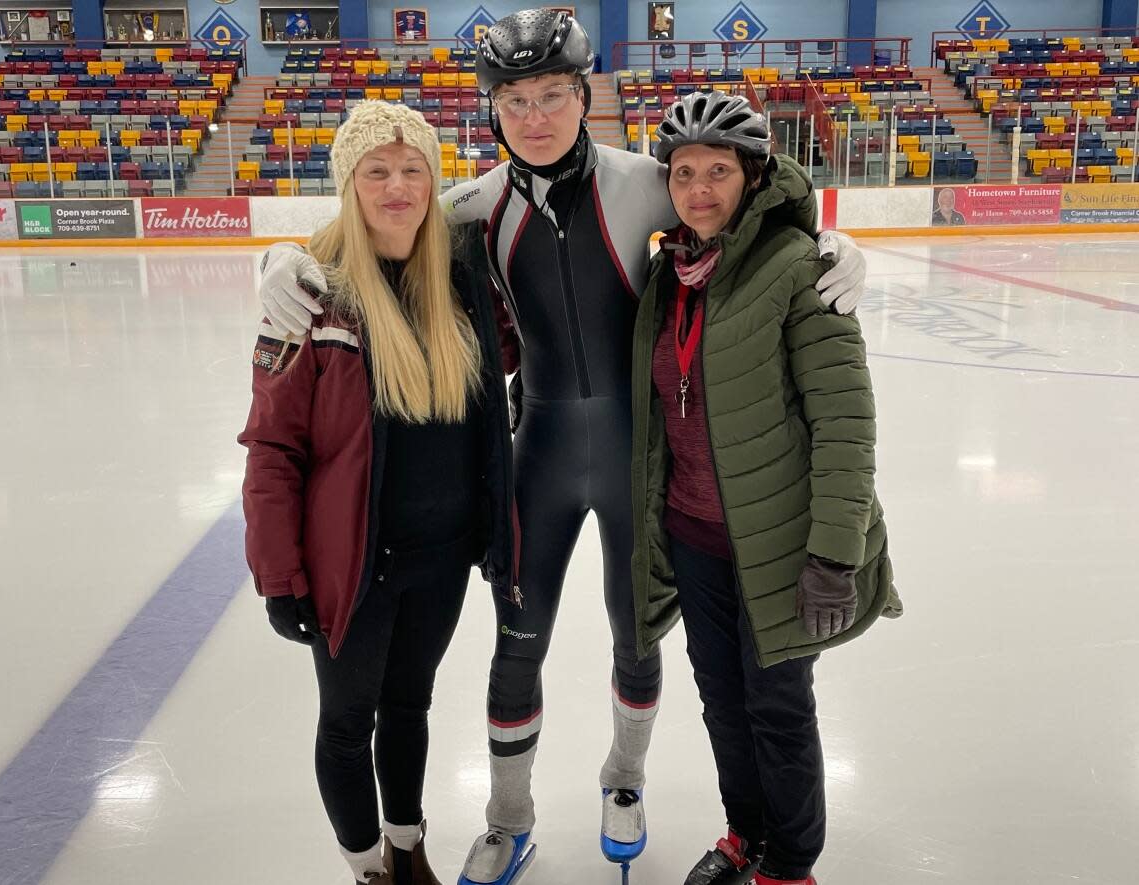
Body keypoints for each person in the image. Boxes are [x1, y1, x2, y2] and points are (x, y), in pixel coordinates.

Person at [255, 12, 872, 885]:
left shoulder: (646, 183)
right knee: (519, 641)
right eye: (515, 99)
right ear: (493, 112)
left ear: (584, 98)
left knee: (636, 637)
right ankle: (510, 816)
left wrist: (833, 237)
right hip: (536, 452)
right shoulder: (467, 207)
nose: (535, 114)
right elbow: (370, 224)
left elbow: (746, 190)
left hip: (631, 459)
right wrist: (279, 256)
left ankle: (625, 779)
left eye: (552, 95)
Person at [238, 101, 517, 885]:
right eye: (376, 172)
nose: (396, 187)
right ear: (349, 184)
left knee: (410, 708)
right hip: (356, 565)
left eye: (412, 169)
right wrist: (278, 575)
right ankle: (369, 868)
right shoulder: (310, 293)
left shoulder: (460, 278)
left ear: (433, 179)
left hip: (444, 555)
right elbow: (273, 447)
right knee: (346, 722)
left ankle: (408, 844)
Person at [628, 91, 903, 885]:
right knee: (722, 700)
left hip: (781, 543)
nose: (700, 188)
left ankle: (791, 864)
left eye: (718, 171)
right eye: (684, 173)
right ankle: (745, 834)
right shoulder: (667, 277)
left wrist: (834, 553)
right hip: (695, 537)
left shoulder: (798, 267)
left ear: (753, 176)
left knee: (779, 708)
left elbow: (846, 422)